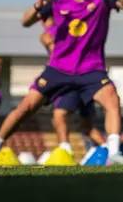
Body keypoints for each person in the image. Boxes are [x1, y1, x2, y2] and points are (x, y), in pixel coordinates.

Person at [0, 0, 123, 166]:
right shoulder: (57, 1)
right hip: (59, 69)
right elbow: (26, 22)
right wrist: (37, 6)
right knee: (25, 107)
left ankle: (115, 154)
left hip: (91, 69)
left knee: (112, 99)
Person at [39, 23, 106, 157]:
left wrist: (49, 45)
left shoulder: (54, 31)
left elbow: (59, 58)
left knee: (59, 114)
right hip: (88, 79)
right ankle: (109, 150)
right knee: (86, 126)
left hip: (71, 80)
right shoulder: (76, 25)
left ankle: (65, 151)